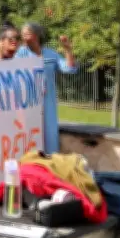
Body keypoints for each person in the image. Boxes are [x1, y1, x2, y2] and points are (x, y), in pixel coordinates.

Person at [15, 22, 77, 154]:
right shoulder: (21, 54)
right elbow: (9, 72)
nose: (23, 37)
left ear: (36, 35)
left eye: (27, 34)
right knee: (31, 143)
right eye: (22, 34)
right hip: (29, 106)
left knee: (50, 139)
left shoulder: (50, 54)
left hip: (48, 106)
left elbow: (69, 68)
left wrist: (67, 49)